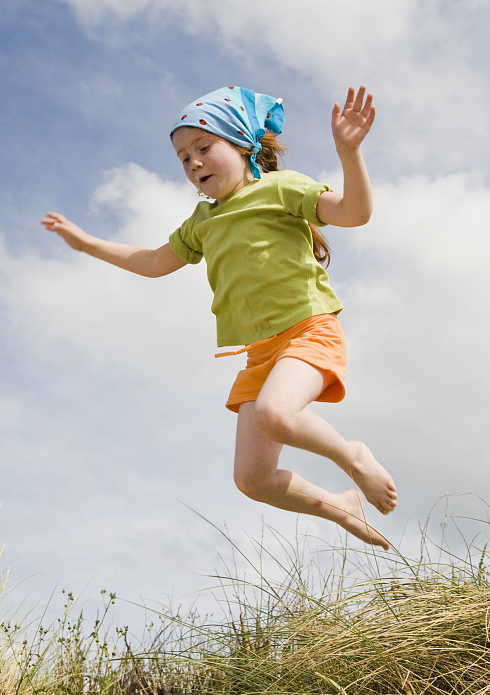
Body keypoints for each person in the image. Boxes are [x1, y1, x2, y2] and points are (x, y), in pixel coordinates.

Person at [42, 85, 397, 549]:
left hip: (309, 331)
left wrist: (349, 152)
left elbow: (355, 213)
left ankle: (353, 455)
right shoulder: (202, 222)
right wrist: (87, 243)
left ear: (243, 146)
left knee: (275, 413)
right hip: (260, 355)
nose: (193, 162)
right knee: (252, 479)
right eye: (183, 157)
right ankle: (340, 506)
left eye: (204, 147)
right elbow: (151, 262)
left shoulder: (281, 189)